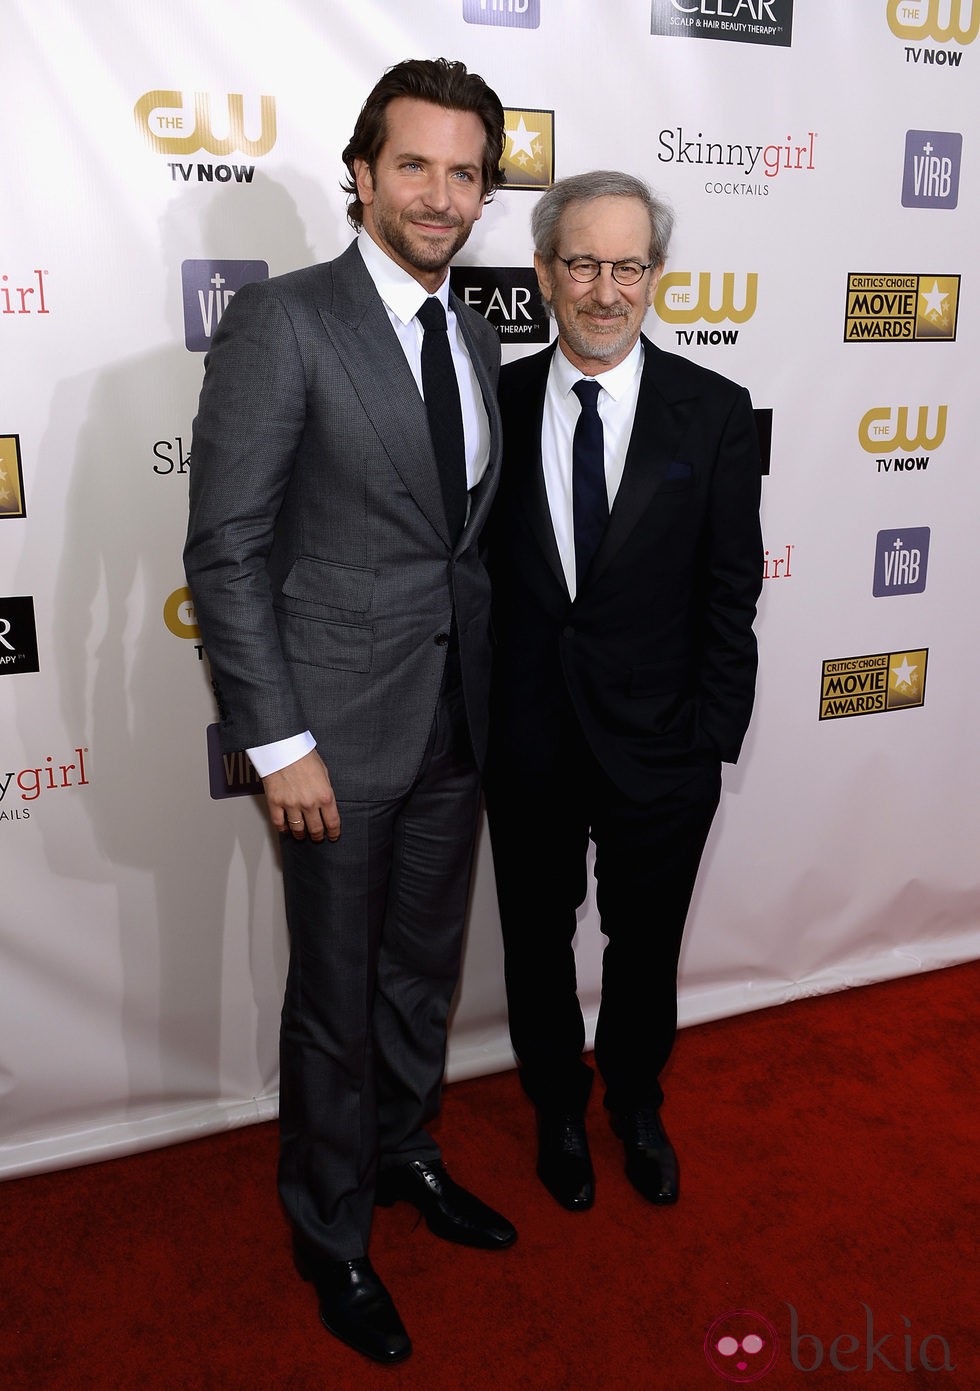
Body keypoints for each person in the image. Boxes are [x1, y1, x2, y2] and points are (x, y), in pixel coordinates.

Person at [184, 58, 514, 1366]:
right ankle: (330, 1230)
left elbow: (456, 544)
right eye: (416, 165)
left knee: (418, 973)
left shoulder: (476, 328)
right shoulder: (288, 324)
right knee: (332, 993)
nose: (441, 194)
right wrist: (280, 740)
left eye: (466, 171)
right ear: (363, 173)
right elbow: (225, 550)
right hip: (327, 735)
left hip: (453, 724)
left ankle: (404, 1155)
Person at [484, 171, 763, 1214]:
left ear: (654, 275)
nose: (606, 290)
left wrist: (709, 742)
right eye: (584, 263)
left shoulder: (715, 411)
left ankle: (634, 1102)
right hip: (527, 738)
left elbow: (731, 591)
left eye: (628, 265)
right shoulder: (493, 404)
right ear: (547, 273)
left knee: (645, 947)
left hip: (664, 746)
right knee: (532, 941)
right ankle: (556, 1103)